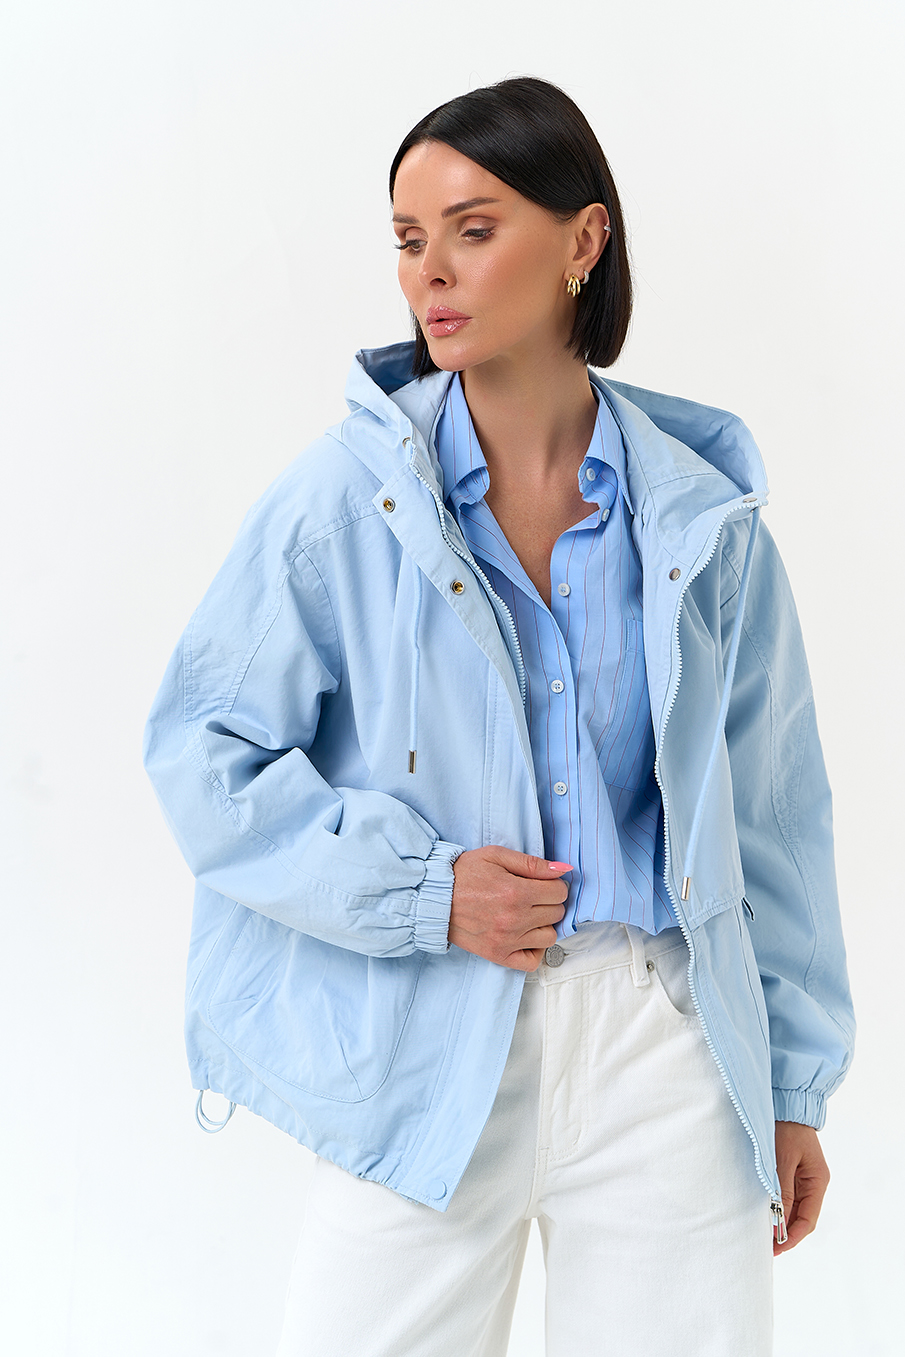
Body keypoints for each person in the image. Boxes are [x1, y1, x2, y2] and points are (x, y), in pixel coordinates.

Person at [143, 75, 855, 1356]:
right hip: (430, 1027)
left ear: (583, 241)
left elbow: (773, 811)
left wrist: (792, 1080)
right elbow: (203, 752)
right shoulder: (343, 501)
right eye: (409, 239)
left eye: (473, 230)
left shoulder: (696, 516)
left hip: (659, 1042)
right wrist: (426, 891)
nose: (430, 272)